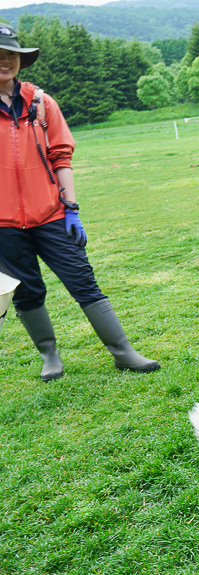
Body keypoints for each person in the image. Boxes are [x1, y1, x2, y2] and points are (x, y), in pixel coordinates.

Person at [0, 23, 159, 381]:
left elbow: (61, 158)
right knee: (26, 292)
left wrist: (71, 209)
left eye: (10, 54)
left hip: (53, 216)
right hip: (5, 226)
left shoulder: (41, 103)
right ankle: (50, 356)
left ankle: (123, 352)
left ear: (20, 60)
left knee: (83, 281)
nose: (4, 62)